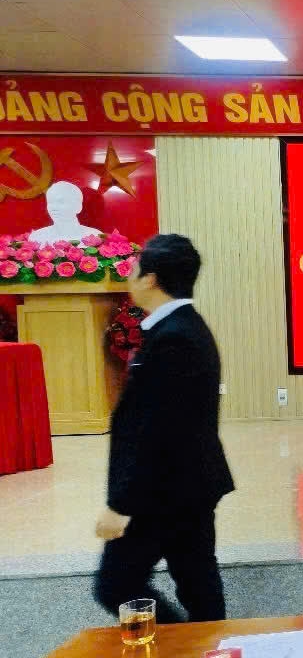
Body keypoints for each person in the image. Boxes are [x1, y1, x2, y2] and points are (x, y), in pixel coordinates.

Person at [93, 234, 234, 623]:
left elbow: (156, 432)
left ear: (150, 279)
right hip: (185, 484)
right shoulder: (180, 328)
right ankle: (206, 648)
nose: (129, 277)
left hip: (164, 491)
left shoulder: (175, 338)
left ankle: (177, 648)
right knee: (197, 582)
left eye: (133, 270)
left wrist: (120, 506)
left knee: (117, 585)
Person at [29, 181, 102, 244]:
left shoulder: (95, 236)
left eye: (61, 202)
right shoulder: (37, 238)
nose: (54, 208)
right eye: (50, 202)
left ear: (78, 206)